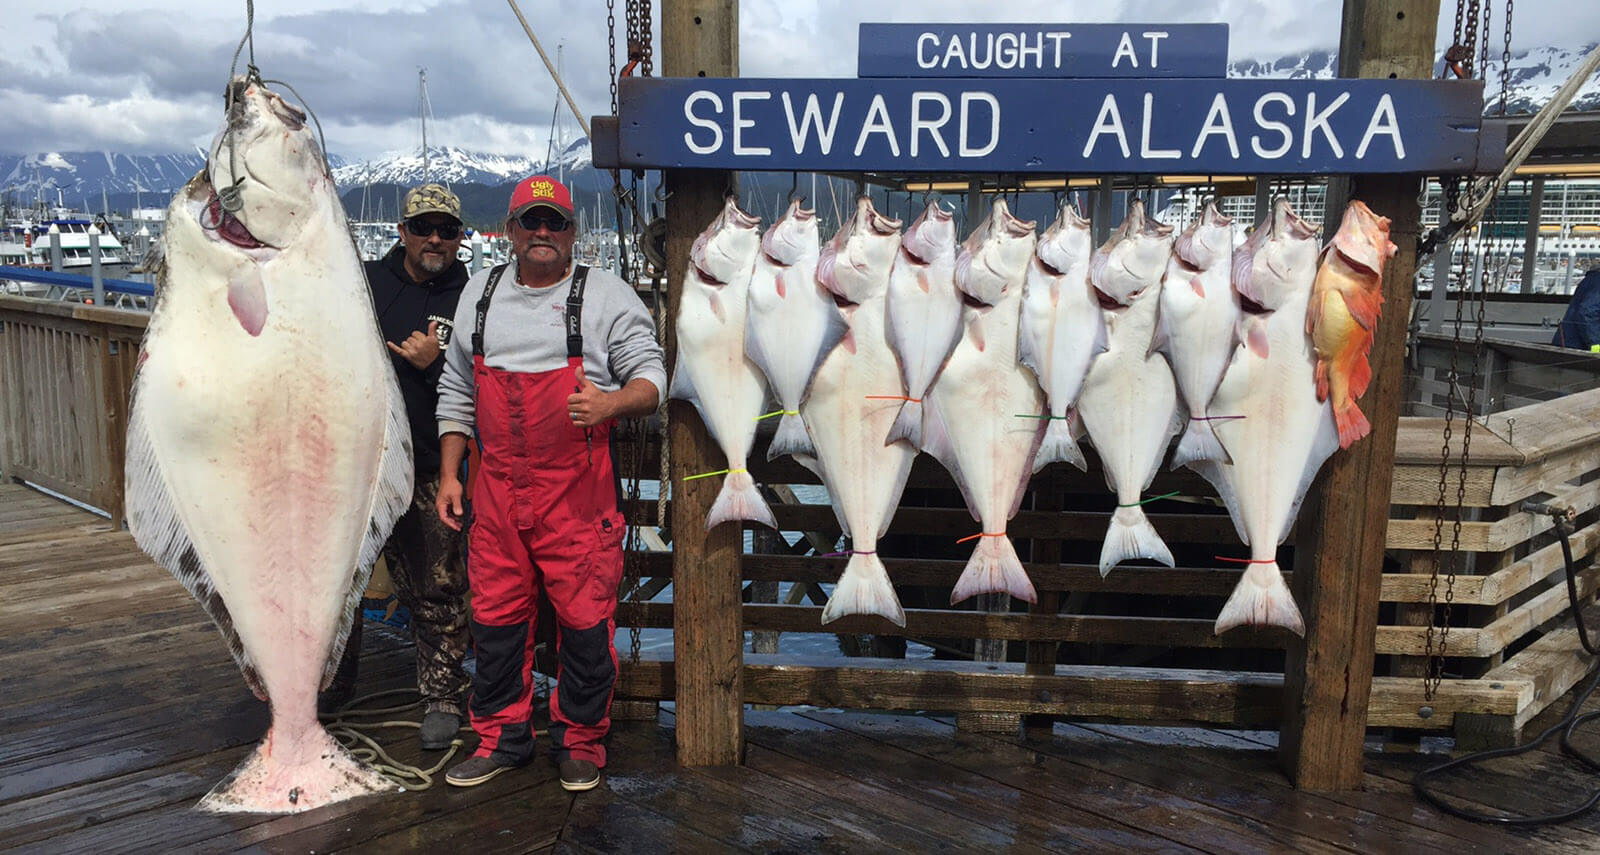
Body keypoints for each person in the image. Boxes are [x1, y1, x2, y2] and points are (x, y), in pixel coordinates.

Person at [434, 175, 664, 792]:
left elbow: (652, 377)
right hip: (497, 490)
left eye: (555, 222)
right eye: (530, 222)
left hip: (578, 497)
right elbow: (456, 389)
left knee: (587, 624)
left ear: (573, 231)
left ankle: (581, 740)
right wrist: (452, 473)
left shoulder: (606, 295)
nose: (542, 233)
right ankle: (500, 738)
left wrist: (612, 404)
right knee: (496, 621)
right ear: (511, 231)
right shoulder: (479, 294)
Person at [321, 183, 473, 751]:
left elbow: (481, 386)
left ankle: (441, 695)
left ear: (461, 237)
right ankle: (332, 686)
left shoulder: (471, 293)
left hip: (431, 465)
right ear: (402, 232)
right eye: (424, 227)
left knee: (439, 584)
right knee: (339, 583)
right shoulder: (362, 283)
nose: (435, 239)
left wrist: (435, 366)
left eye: (447, 230)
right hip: (352, 464)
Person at [1551, 265, 1600, 351]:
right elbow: (1587, 312)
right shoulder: (1596, 282)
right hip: (1576, 346)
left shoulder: (1592, 279)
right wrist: (1596, 344)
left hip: (1569, 342)